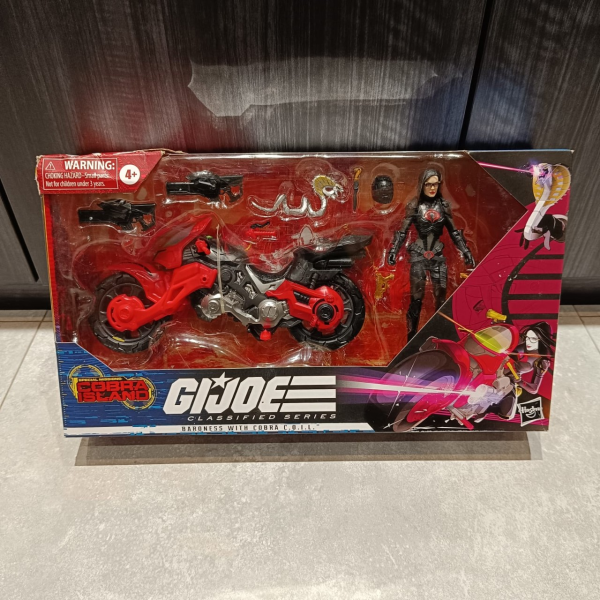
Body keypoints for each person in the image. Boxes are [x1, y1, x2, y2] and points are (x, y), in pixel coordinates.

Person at [388, 168, 475, 340]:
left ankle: (438, 335)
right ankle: (411, 337)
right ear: (422, 185)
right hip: (419, 255)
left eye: (435, 184)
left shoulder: (443, 205)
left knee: (441, 300)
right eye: (428, 184)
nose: (432, 188)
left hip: (437, 256)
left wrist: (466, 251)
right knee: (416, 299)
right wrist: (393, 251)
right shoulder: (414, 205)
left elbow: (454, 231)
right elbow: (403, 231)